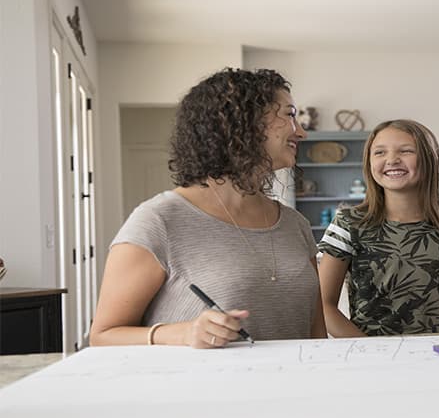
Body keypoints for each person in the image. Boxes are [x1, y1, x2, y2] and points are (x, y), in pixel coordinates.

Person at [90, 68, 326, 348]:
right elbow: (102, 336)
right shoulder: (158, 221)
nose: (301, 132)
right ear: (243, 122)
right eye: (289, 114)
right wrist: (182, 333)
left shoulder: (294, 224)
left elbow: (316, 337)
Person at [317, 119, 439, 336]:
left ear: (429, 159)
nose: (392, 160)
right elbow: (323, 305)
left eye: (406, 151)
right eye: (379, 152)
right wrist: (370, 351)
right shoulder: (348, 222)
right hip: (372, 359)